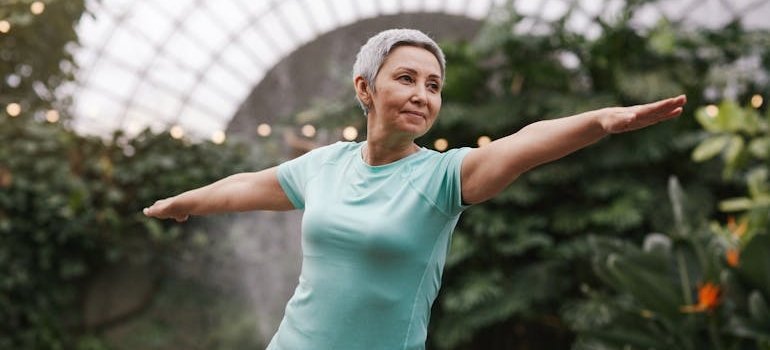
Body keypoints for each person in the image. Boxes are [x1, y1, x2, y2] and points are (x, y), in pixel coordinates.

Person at [143, 28, 687, 349]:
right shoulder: (323, 166)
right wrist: (185, 202)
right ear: (366, 88)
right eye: (406, 79)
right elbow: (246, 186)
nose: (422, 95)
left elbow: (524, 143)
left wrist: (601, 121)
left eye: (433, 86)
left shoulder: (443, 178)